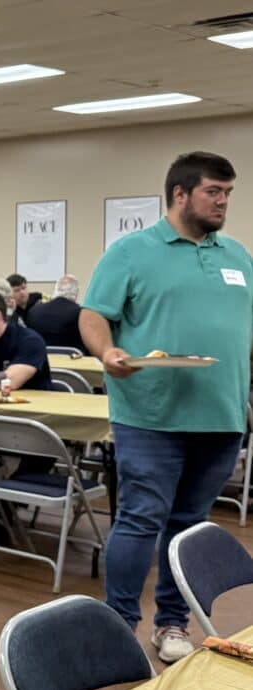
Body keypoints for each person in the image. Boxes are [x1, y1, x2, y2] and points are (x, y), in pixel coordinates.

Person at [80, 151, 251, 663]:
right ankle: (118, 626)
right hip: (150, 416)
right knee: (140, 519)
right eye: (213, 192)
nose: (223, 202)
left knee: (189, 525)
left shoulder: (238, 256)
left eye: (228, 193)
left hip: (220, 416)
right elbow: (93, 316)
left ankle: (172, 623)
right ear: (180, 194)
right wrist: (108, 353)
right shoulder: (132, 252)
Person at [25, 274, 87, 355]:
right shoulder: (81, 313)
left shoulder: (34, 311)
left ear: (56, 290)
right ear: (76, 294)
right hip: (72, 360)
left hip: (41, 359)